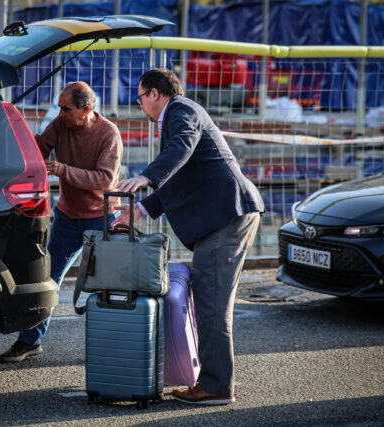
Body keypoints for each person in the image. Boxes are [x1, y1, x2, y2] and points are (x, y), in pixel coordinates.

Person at [112, 69, 264, 405]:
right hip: (226, 215)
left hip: (227, 216)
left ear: (154, 94)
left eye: (140, 98)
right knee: (210, 302)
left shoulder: (181, 111)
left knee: (211, 305)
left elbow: (180, 146)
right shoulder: (181, 114)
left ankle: (216, 387)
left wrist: (146, 177)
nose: (141, 105)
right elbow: (179, 177)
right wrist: (140, 210)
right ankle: (213, 382)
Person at [0, 81, 123, 363]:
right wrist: (15, 135)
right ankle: (29, 341)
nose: (60, 113)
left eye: (65, 109)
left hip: (101, 218)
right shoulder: (61, 124)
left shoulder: (109, 134)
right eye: (59, 107)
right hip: (68, 217)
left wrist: (63, 170)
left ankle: (116, 347)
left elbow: (105, 180)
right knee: (47, 279)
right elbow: (39, 149)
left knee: (110, 284)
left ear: (86, 110)